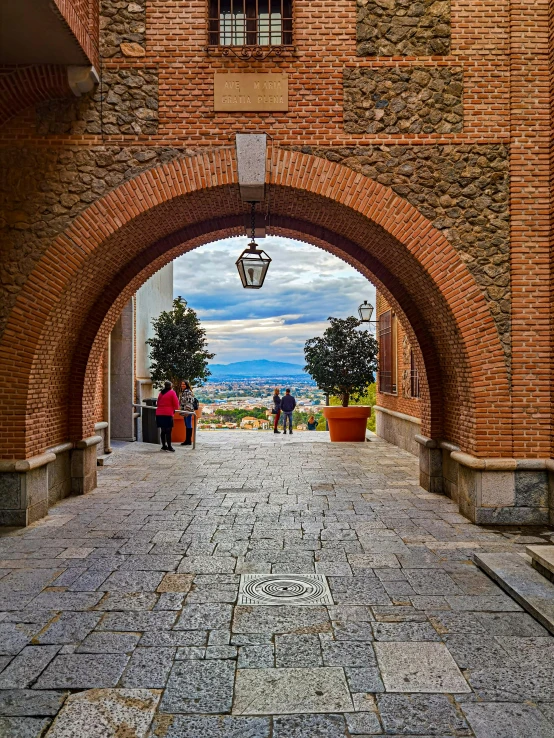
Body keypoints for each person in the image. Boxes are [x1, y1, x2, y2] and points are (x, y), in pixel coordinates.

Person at [156, 381, 179, 452]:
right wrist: (174, 408)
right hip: (168, 413)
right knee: (168, 431)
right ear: (171, 386)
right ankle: (169, 446)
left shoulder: (161, 393)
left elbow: (158, 403)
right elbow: (176, 403)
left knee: (163, 430)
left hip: (159, 413)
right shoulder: (172, 392)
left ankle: (163, 446)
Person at [180, 380, 196, 446]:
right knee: (187, 424)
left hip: (187, 410)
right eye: (182, 384)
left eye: (184, 384)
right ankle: (188, 440)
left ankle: (188, 440)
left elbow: (189, 402)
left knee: (188, 424)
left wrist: (187, 411)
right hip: (186, 410)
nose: (182, 385)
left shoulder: (187, 392)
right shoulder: (185, 392)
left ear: (187, 385)